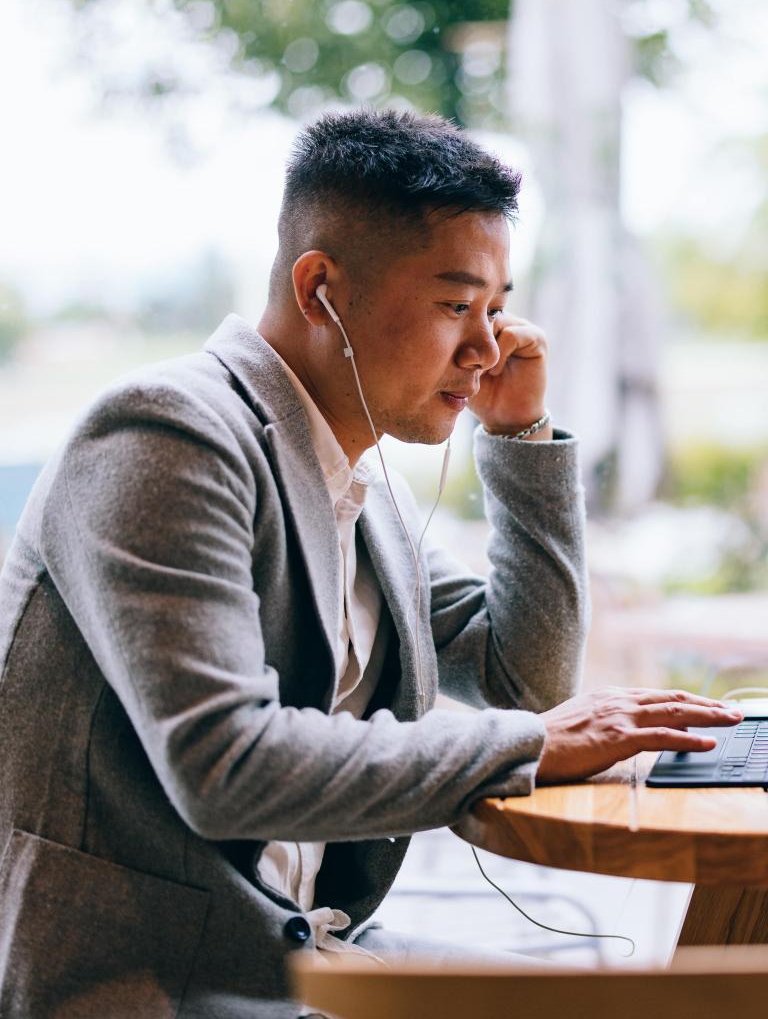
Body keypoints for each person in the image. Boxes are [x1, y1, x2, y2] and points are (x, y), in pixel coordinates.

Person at [0, 109, 740, 1019]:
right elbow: (227, 766)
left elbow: (524, 680)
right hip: (157, 987)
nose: (488, 349)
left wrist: (521, 437)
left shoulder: (355, 488)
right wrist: (536, 746)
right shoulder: (167, 433)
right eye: (456, 306)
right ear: (320, 290)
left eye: (497, 309)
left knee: (643, 1008)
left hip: (310, 953)